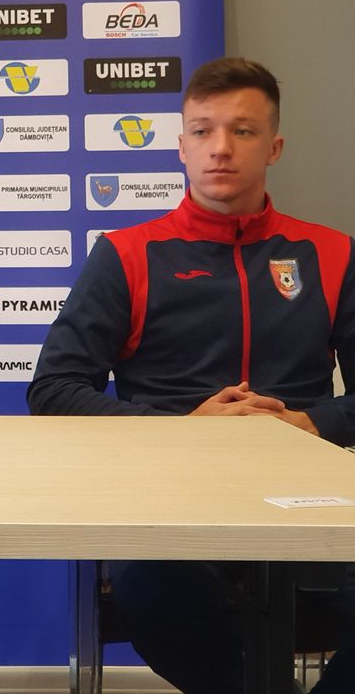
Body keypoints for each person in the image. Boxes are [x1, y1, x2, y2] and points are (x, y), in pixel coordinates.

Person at [28, 57, 355, 693]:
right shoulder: (126, 254)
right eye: (203, 132)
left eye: (243, 131)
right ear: (182, 147)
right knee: (153, 590)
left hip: (306, 508)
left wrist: (309, 423)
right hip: (170, 513)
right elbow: (54, 391)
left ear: (274, 147)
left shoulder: (331, 253)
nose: (220, 148)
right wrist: (184, 429)